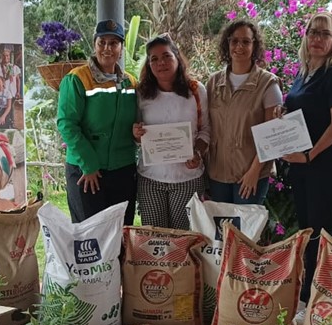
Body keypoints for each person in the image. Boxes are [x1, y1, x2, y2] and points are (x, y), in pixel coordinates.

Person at [281, 11, 332, 308]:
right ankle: (307, 296)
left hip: (323, 165)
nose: (317, 38)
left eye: (325, 34)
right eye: (313, 32)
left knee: (320, 235)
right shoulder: (305, 71)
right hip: (301, 166)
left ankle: (314, 303)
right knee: (307, 231)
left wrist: (309, 155)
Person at [56, 19, 139, 225]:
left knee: (120, 233)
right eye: (102, 42)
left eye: (114, 43)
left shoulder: (131, 82)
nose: (107, 48)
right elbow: (67, 124)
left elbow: (138, 118)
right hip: (88, 172)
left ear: (121, 48)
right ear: (94, 45)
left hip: (123, 170)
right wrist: (89, 165)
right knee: (90, 236)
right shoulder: (77, 79)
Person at [132, 36, 210, 230]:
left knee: (184, 241)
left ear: (177, 57)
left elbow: (206, 130)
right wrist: (136, 134)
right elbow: (136, 134)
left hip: (187, 179)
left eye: (166, 56)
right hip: (150, 180)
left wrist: (198, 154)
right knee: (155, 240)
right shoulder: (141, 93)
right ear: (149, 65)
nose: (161, 63)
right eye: (154, 59)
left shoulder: (196, 91)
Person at [206, 19, 283, 205]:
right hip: (217, 174)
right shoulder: (213, 83)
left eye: (246, 42)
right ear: (227, 44)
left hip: (250, 176)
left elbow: (273, 135)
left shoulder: (268, 84)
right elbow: (205, 126)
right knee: (218, 232)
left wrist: (254, 172)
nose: (239, 46)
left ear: (254, 45)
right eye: (234, 41)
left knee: (245, 233)